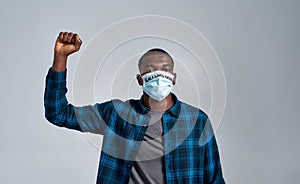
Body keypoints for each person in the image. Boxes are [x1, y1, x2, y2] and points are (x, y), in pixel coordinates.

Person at [44, 31, 226, 184]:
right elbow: (58, 113)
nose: (158, 74)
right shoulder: (117, 114)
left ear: (174, 77)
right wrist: (60, 57)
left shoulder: (197, 121)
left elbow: (214, 178)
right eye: (150, 69)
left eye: (165, 69)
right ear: (140, 79)